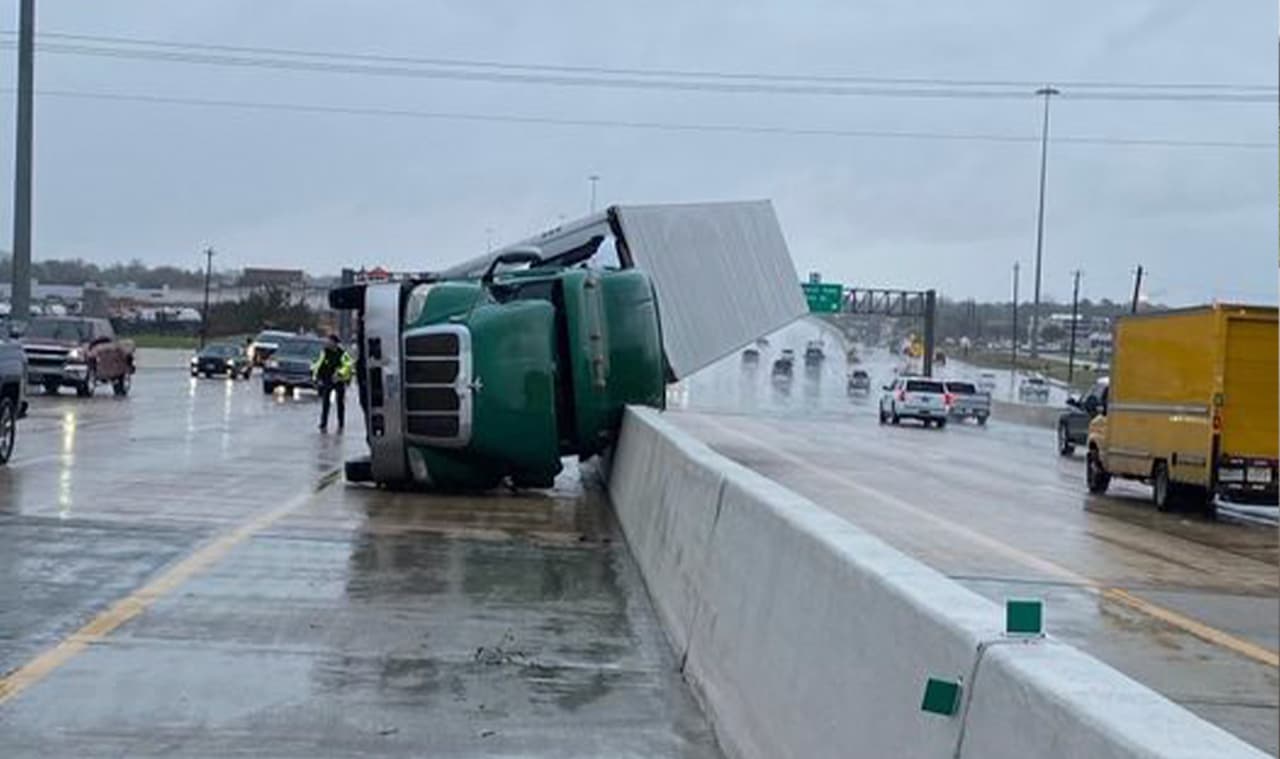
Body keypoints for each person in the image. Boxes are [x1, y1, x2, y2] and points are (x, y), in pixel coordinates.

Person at [312, 334, 354, 432]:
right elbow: (318, 364)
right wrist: (315, 377)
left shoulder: (342, 353)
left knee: (340, 403)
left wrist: (340, 374)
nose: (328, 343)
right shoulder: (325, 352)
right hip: (327, 380)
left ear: (335, 343)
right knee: (326, 402)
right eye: (327, 341)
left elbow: (348, 365)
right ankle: (323, 423)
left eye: (330, 341)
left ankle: (341, 423)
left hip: (339, 380)